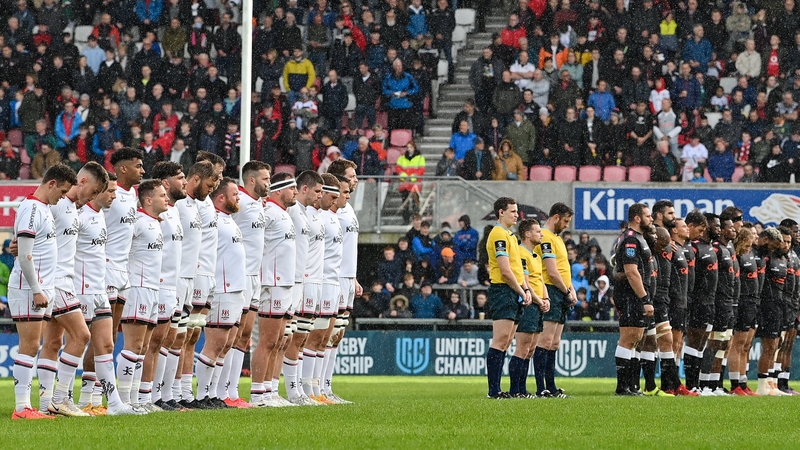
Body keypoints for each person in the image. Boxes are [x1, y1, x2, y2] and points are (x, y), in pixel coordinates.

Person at [9, 165, 78, 420]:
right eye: (61, 190)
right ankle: (21, 409)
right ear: (51, 184)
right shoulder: (31, 208)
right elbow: (25, 256)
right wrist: (37, 290)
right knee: (29, 346)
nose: (62, 196)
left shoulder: (45, 209)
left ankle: (31, 406)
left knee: (36, 345)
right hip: (29, 287)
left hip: (42, 288)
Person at [137, 162, 186, 412]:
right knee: (152, 343)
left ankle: (159, 395)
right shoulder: (150, 216)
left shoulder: (175, 210)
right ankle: (144, 396)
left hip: (173, 286)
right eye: (180, 177)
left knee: (166, 341)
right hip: (156, 285)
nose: (185, 181)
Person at [170, 160, 219, 409]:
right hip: (185, 276)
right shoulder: (178, 205)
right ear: (196, 179)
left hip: (198, 276)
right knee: (179, 336)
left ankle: (184, 392)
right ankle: (171, 392)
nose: (214, 187)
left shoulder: (200, 204)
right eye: (211, 183)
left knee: (191, 335)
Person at [115, 179, 168, 408]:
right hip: (137, 287)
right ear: (148, 199)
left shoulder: (155, 222)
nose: (166, 199)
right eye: (162, 195)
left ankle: (136, 400)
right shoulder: (136, 221)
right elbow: (117, 245)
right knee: (133, 345)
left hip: (153, 289)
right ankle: (125, 400)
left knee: (143, 347)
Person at [193, 177, 244, 409]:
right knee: (216, 342)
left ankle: (214, 393)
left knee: (227, 342)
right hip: (221, 289)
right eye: (235, 195)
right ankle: (203, 394)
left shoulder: (229, 221)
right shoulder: (212, 220)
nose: (238, 198)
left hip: (236, 289)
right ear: (221, 198)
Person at [223, 161, 270, 408]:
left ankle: (233, 392)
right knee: (231, 335)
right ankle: (222, 391)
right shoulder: (238, 202)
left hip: (255, 276)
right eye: (265, 179)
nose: (268, 184)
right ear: (251, 181)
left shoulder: (258, 204)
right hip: (238, 276)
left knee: (244, 335)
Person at [250, 172, 298, 407]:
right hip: (272, 282)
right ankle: (258, 393)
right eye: (293, 188)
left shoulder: (284, 214)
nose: (296, 192)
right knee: (268, 341)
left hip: (285, 284)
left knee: (281, 341)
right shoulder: (268, 212)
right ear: (280, 191)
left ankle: (271, 391)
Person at [302, 173, 345, 405]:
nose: (334, 200)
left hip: (330, 282)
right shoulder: (308, 215)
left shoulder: (328, 217)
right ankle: (305, 388)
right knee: (312, 336)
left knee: (325, 338)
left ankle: (317, 388)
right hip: (316, 281)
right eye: (331, 195)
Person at [284, 171, 324, 406]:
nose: (319, 196)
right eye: (317, 191)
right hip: (295, 281)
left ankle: (299, 389)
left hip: (303, 281)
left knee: (299, 336)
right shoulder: (291, 211)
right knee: (293, 337)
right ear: (304, 188)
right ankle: (291, 390)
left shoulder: (305, 214)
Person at [485, 197, 531, 398]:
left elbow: (516, 269)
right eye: (512, 211)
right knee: (501, 339)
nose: (517, 215)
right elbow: (504, 270)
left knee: (507, 340)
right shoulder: (498, 235)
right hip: (503, 290)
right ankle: (493, 390)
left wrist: (525, 289)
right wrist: (522, 291)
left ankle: (498, 389)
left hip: (513, 290)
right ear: (501, 212)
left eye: (517, 211)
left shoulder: (510, 236)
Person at [328, 159, 362, 404]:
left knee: (337, 334)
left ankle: (326, 387)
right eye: (352, 176)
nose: (356, 179)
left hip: (346, 277)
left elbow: (345, 247)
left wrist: (354, 276)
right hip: (333, 277)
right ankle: (313, 387)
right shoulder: (333, 207)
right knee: (323, 334)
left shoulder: (347, 207)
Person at [612, 204, 655, 396]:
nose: (651, 218)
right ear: (637, 218)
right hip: (630, 295)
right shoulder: (631, 239)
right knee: (629, 338)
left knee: (636, 338)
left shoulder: (639, 238)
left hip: (635, 295)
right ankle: (622, 387)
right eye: (648, 216)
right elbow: (631, 271)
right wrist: (644, 298)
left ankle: (629, 386)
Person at [532, 203, 575, 398]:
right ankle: (542, 387)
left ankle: (551, 384)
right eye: (565, 221)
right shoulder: (545, 237)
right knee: (546, 339)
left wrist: (571, 289)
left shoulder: (556, 238)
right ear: (556, 217)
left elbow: (563, 269)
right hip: (551, 290)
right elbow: (551, 271)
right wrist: (566, 291)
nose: (567, 225)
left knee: (554, 342)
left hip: (562, 292)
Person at [510, 219, 549, 398]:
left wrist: (546, 298)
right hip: (528, 304)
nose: (541, 234)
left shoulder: (536, 255)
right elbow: (525, 282)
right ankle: (515, 389)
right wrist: (538, 300)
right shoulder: (520, 253)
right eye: (538, 231)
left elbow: (539, 280)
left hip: (538, 304)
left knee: (531, 348)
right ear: (527, 234)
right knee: (523, 347)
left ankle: (522, 389)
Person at [682, 210, 716, 394]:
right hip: (696, 302)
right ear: (691, 226)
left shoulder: (706, 247)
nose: (702, 233)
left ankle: (697, 384)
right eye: (700, 229)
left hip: (708, 302)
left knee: (701, 344)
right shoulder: (691, 247)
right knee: (693, 342)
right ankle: (691, 384)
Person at [755, 227, 790, 395]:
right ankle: (762, 386)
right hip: (766, 306)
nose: (785, 245)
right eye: (784, 241)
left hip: (779, 306)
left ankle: (771, 384)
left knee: (775, 345)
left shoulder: (782, 258)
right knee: (769, 345)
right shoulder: (766, 257)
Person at [728, 226, 758, 395]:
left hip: (752, 303)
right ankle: (735, 385)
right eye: (746, 245)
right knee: (737, 345)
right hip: (742, 302)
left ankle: (743, 383)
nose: (748, 248)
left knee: (746, 345)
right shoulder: (736, 257)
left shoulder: (750, 255)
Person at [382, 59, 419, 132]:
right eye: (397, 66)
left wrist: (407, 92)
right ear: (394, 67)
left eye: (400, 65)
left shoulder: (408, 76)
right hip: (393, 107)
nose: (399, 67)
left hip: (406, 107)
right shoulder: (388, 77)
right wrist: (391, 93)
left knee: (405, 129)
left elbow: (416, 89)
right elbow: (384, 90)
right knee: (393, 129)